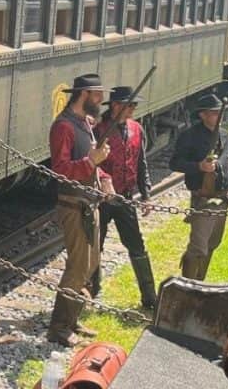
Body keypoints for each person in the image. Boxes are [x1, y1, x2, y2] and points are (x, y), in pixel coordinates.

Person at [47, 73, 112, 346]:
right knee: (77, 268)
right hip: (74, 205)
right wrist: (90, 162)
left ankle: (71, 320)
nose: (100, 100)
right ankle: (59, 328)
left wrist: (105, 178)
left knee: (90, 264)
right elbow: (60, 171)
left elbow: (91, 163)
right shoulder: (63, 127)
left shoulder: (84, 123)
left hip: (89, 201)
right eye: (97, 95)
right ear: (84, 95)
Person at [89, 86, 157, 309]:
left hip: (125, 198)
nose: (133, 110)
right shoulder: (99, 129)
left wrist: (146, 195)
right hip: (101, 199)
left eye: (134, 106)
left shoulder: (137, 129)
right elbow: (91, 163)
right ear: (116, 106)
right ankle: (91, 292)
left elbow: (141, 163)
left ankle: (149, 297)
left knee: (136, 245)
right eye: (130, 106)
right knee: (94, 245)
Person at [169, 92, 228, 281]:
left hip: (223, 197)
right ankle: (188, 286)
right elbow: (175, 163)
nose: (219, 116)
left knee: (212, 244)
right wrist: (198, 167)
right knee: (198, 247)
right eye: (214, 112)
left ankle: (200, 283)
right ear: (203, 115)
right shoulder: (190, 136)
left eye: (219, 112)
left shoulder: (224, 135)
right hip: (203, 198)